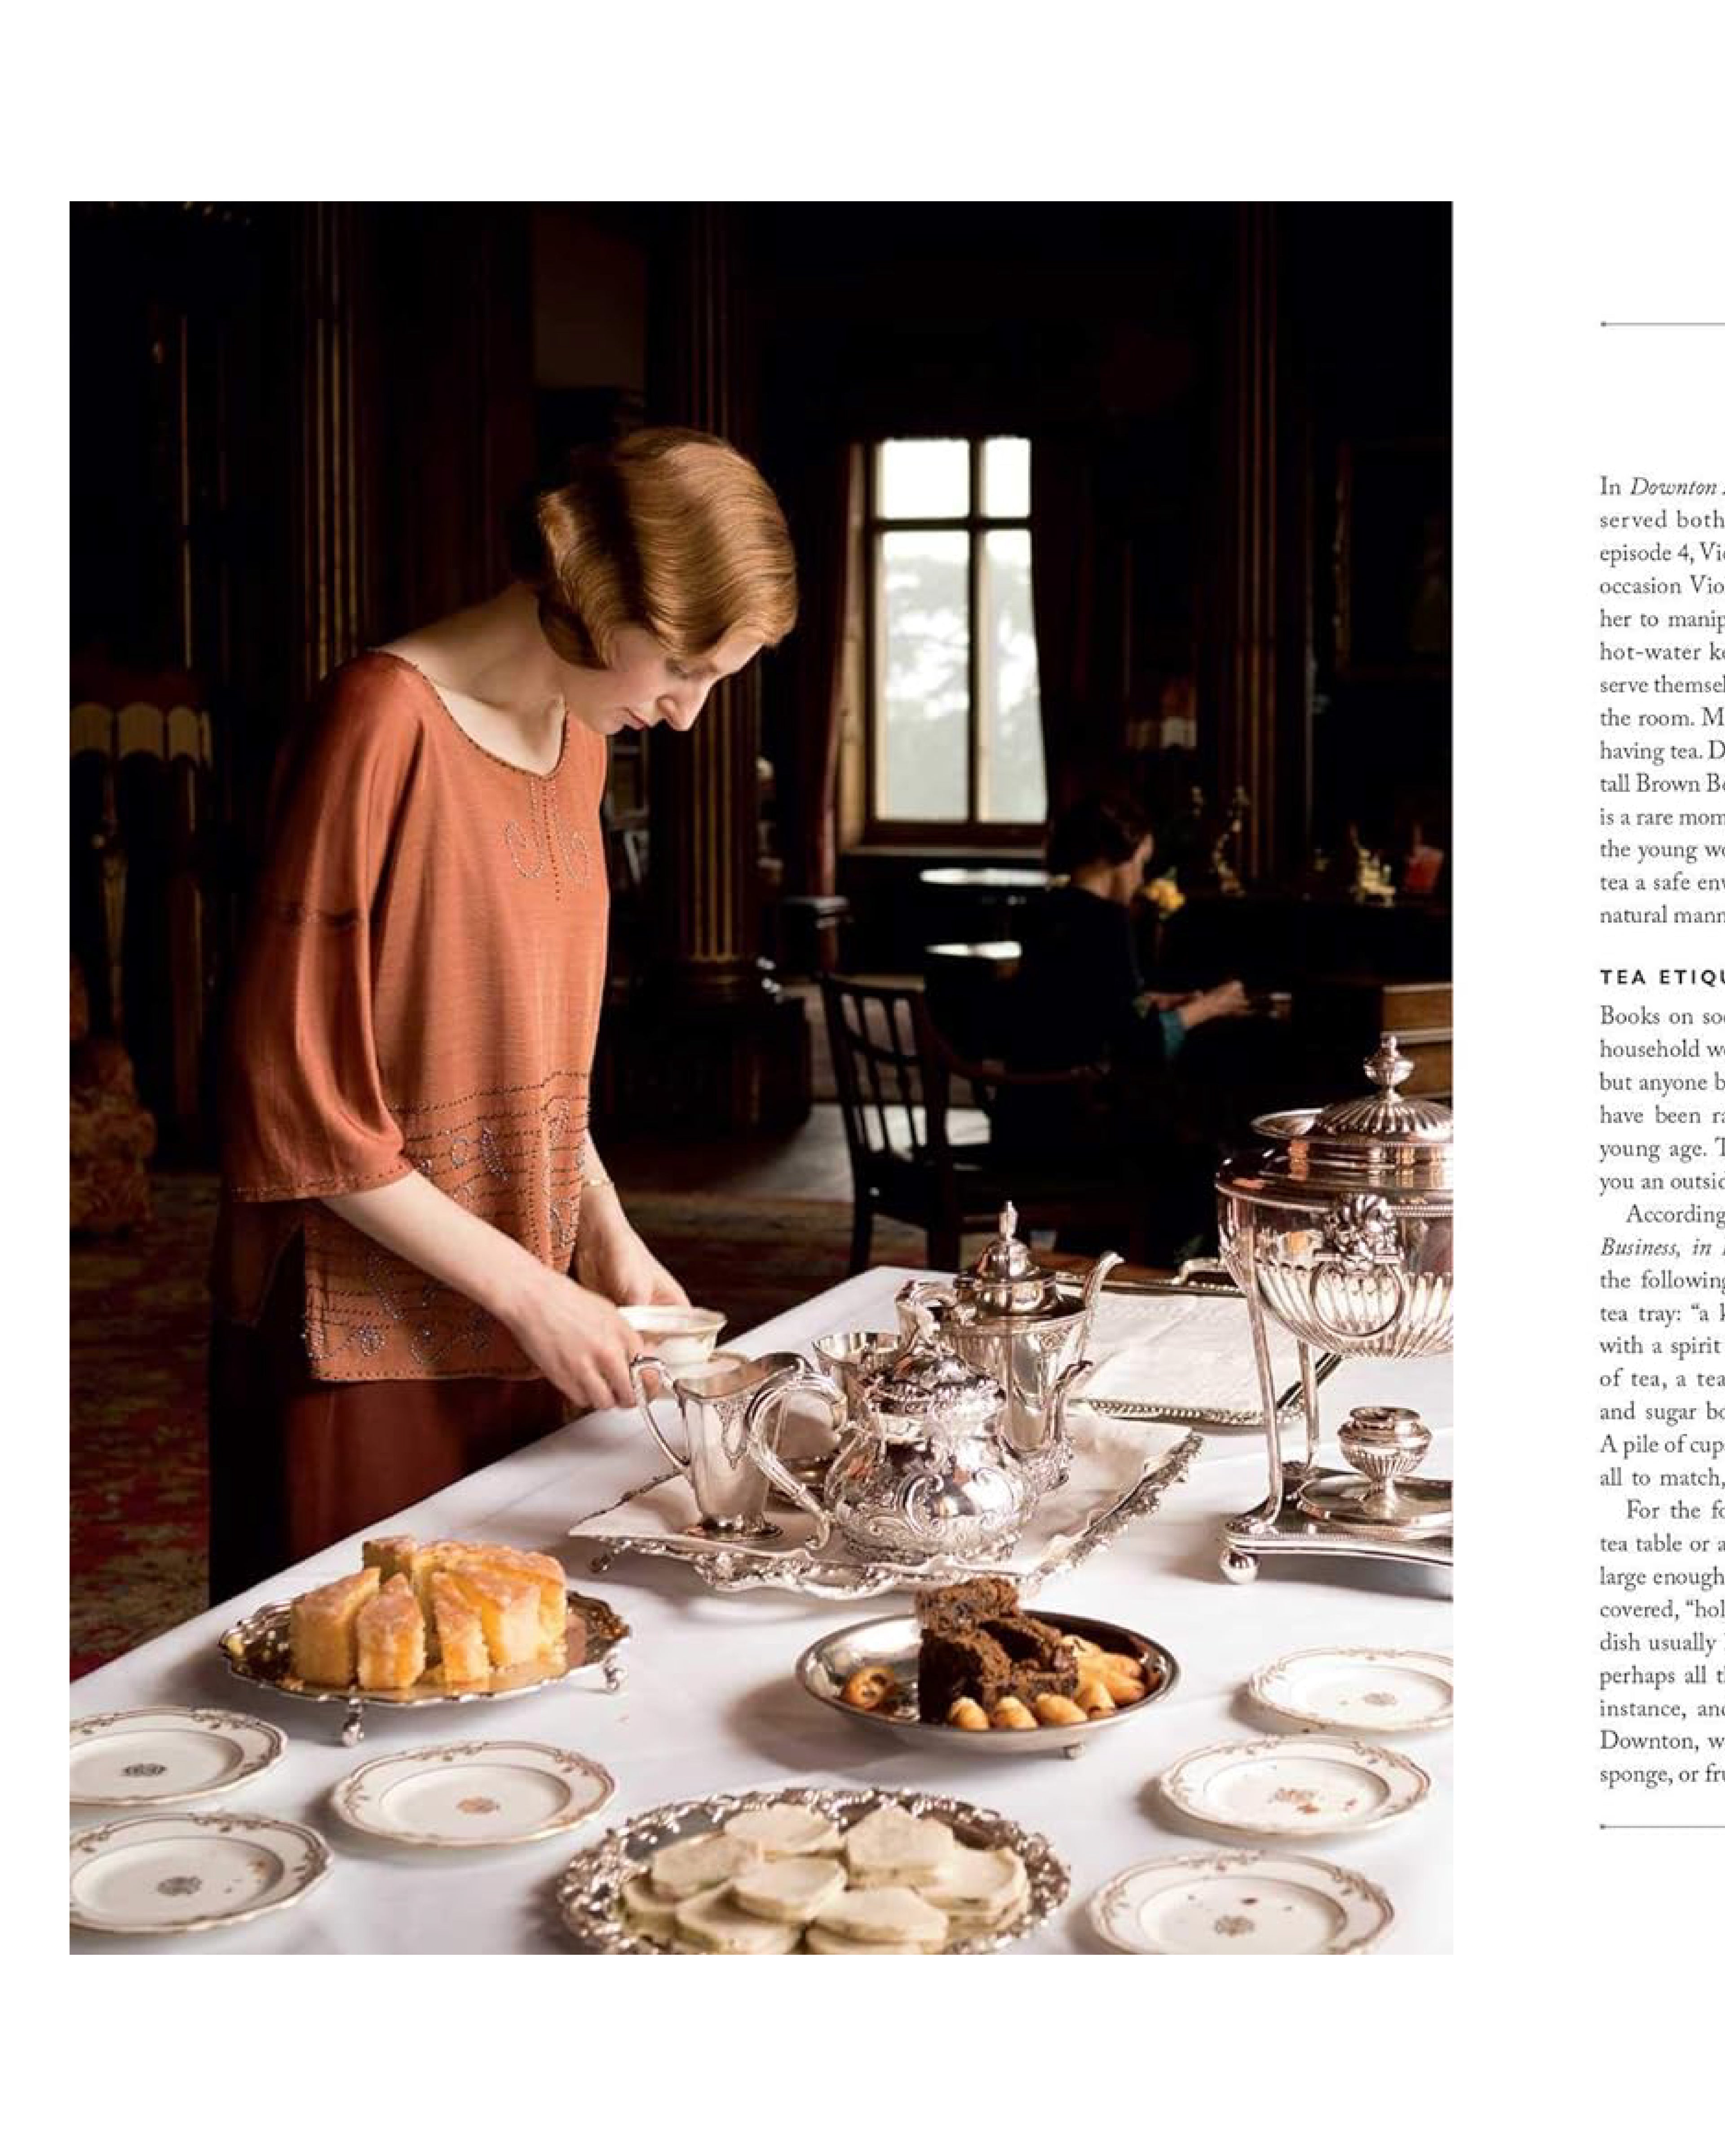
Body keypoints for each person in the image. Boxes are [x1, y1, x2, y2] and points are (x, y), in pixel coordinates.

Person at [207, 428, 797, 1599]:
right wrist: (536, 1293)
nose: (686, 718)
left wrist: (605, 1231)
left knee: (515, 1693)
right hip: (363, 1338)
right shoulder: (379, 723)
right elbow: (295, 1107)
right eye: (682, 668)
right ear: (595, 595)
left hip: (521, 1307)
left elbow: (536, 1057)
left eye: (718, 681)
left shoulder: (580, 742)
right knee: (361, 1702)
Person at [996, 793, 1251, 1260]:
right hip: (1073, 1128)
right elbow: (1140, 1046)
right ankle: (1151, 1275)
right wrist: (1208, 1007)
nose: (1140, 879)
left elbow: (1077, 1004)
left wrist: (1157, 1002)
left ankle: (1093, 1251)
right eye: (1141, 863)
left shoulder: (1044, 911)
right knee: (1210, 1164)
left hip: (1022, 1118)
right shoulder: (1106, 923)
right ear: (1116, 859)